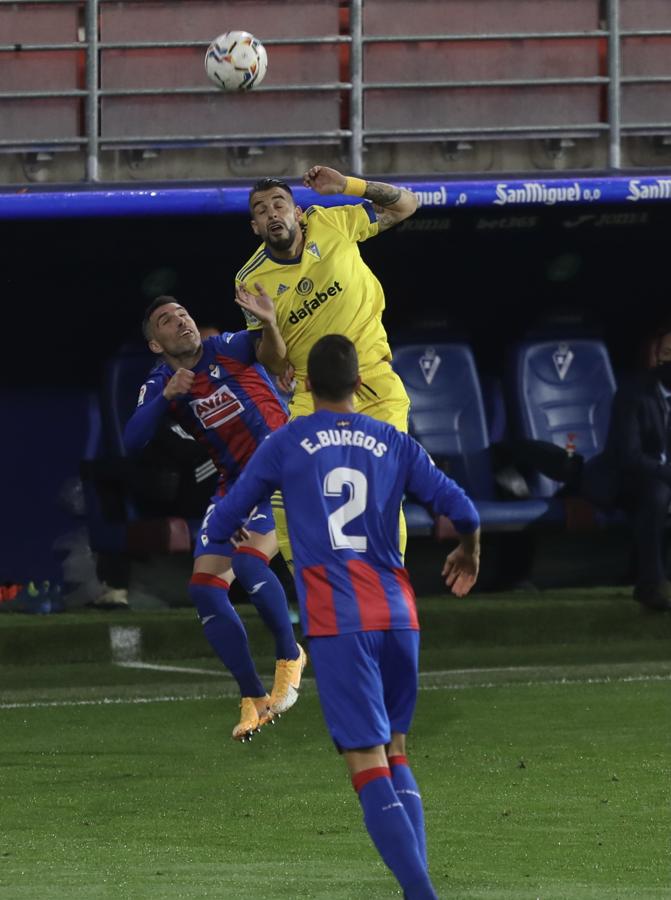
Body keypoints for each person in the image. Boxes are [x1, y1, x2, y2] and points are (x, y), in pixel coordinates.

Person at [206, 334, 481, 899]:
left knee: (365, 760)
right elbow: (463, 508)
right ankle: (417, 889)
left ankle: (421, 895)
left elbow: (226, 516)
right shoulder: (392, 440)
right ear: (360, 383)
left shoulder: (288, 441)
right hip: (398, 613)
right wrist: (469, 548)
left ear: (306, 384)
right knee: (396, 749)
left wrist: (229, 530)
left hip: (339, 617)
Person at [124, 296, 307, 739]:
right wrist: (166, 397)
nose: (181, 321)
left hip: (281, 471)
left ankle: (290, 656)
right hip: (234, 487)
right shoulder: (163, 381)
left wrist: (268, 325)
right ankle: (253, 696)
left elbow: (272, 352)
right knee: (204, 590)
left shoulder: (226, 346)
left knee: (247, 563)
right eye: (167, 321)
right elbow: (131, 441)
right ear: (155, 344)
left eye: (184, 313)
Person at [234, 165, 419, 562]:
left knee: (381, 485)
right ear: (255, 226)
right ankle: (314, 589)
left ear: (298, 212)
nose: (271, 213)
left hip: (374, 382)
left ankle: (389, 587)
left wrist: (350, 186)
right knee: (289, 484)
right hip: (311, 392)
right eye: (261, 210)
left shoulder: (333, 220)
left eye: (279, 203)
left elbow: (407, 205)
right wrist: (268, 324)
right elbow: (273, 361)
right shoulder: (251, 279)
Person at [582, 323, 671, 611]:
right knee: (656, 493)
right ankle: (650, 585)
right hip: (622, 478)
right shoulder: (633, 394)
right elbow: (630, 457)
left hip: (659, 479)